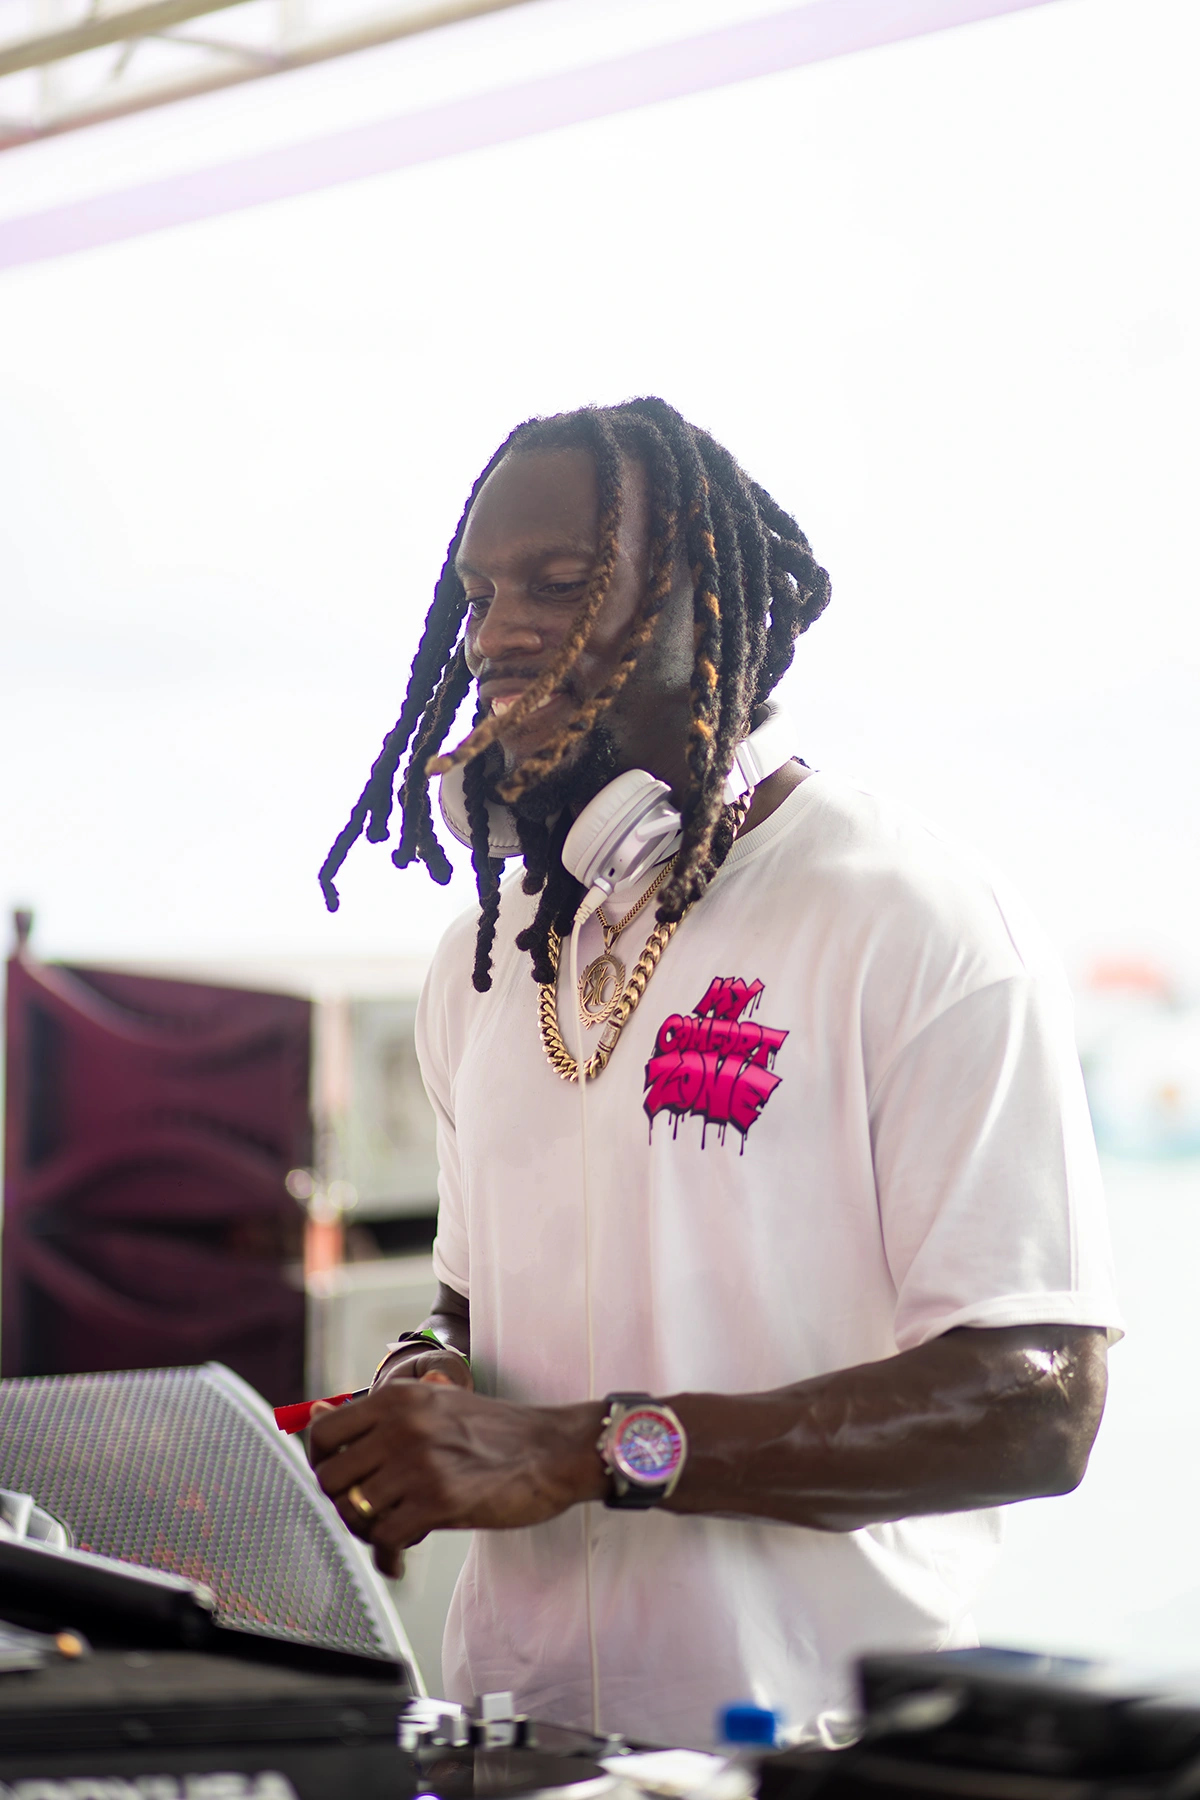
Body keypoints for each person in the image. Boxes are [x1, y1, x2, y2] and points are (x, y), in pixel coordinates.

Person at [310, 398, 1121, 1750]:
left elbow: (1038, 1403)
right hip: (517, 1743)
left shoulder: (910, 917)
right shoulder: (483, 959)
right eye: (482, 596)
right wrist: (427, 1383)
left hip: (815, 1755)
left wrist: (589, 1451)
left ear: (708, 605)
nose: (497, 634)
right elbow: (467, 1309)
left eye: (560, 585)